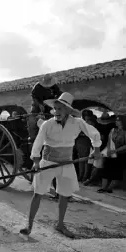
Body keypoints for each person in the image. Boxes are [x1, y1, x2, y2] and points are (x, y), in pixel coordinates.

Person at [20, 92, 101, 238]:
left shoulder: (77, 122)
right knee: (38, 193)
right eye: (55, 108)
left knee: (64, 195)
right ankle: (29, 224)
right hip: (48, 162)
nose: (56, 112)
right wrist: (36, 162)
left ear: (68, 110)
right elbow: (38, 143)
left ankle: (60, 224)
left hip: (66, 163)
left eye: (60, 109)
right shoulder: (47, 124)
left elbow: (93, 133)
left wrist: (96, 149)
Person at [97, 115, 126, 193]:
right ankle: (103, 188)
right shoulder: (113, 130)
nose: (116, 122)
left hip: (120, 155)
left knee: (117, 173)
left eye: (118, 121)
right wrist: (109, 150)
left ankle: (109, 188)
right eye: (116, 120)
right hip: (110, 153)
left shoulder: (125, 132)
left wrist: (116, 150)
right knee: (105, 170)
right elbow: (109, 141)